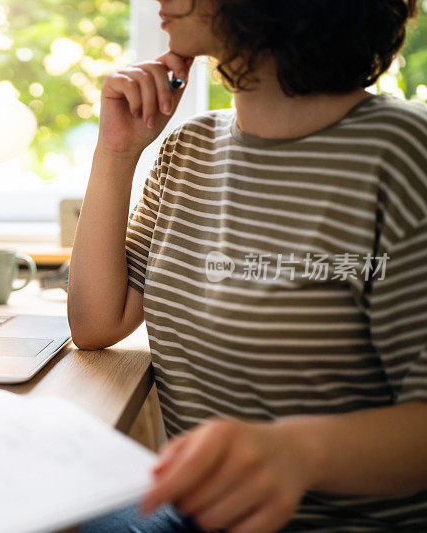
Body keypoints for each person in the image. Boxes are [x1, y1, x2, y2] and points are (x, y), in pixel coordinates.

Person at [68, 0, 427, 531]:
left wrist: (295, 452)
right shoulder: (187, 151)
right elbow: (97, 323)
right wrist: (117, 153)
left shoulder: (402, 155)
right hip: (201, 516)